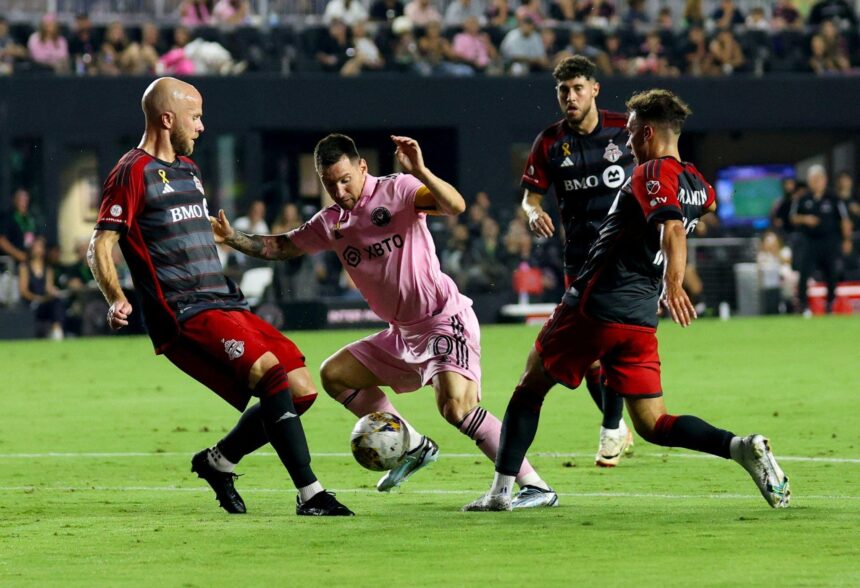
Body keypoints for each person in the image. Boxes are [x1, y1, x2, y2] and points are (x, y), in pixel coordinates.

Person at [464, 88, 791, 512]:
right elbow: (702, 206)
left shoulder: (650, 172)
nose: (628, 143)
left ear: (650, 132)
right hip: (639, 319)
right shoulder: (696, 182)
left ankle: (501, 493)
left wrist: (675, 282)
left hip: (596, 304)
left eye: (633, 133)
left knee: (530, 386)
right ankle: (739, 448)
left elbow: (671, 228)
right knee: (654, 423)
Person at [212, 133, 557, 509]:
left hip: (443, 319)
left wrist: (421, 170)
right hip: (403, 335)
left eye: (345, 179)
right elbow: (282, 246)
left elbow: (454, 205)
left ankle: (533, 484)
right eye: (330, 184)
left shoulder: (399, 190)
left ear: (363, 167)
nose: (340, 190)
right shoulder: (331, 222)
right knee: (335, 374)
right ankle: (411, 444)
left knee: (456, 409)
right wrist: (234, 238)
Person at [87, 77, 353, 517]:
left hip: (225, 302)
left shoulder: (190, 172)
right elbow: (100, 244)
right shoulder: (131, 171)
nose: (202, 126)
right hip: (184, 310)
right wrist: (115, 296)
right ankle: (311, 495)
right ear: (167, 118)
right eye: (195, 117)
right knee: (270, 377)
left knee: (301, 390)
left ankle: (220, 461)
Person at [520, 55, 635, 467]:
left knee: (611, 343)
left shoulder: (626, 129)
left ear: (595, 90)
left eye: (577, 89)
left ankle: (609, 431)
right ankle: (618, 424)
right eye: (563, 91)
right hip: (579, 258)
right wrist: (534, 213)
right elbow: (530, 196)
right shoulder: (550, 142)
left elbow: (660, 164)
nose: (570, 97)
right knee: (588, 362)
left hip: (627, 258)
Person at [790, 164, 852, 315]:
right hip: (810, 241)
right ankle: (802, 304)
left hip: (829, 241)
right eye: (813, 179)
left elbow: (844, 220)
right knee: (804, 272)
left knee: (831, 272)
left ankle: (830, 303)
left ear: (824, 180)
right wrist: (806, 219)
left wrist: (847, 240)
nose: (816, 182)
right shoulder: (803, 198)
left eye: (819, 179)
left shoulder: (834, 197)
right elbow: (793, 217)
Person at [18, 235, 65, 339]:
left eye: (41, 247)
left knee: (56, 301)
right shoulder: (24, 267)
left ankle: (57, 329)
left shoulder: (48, 268)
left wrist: (53, 293)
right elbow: (23, 291)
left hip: (43, 301)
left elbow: (48, 288)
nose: (40, 250)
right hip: (30, 302)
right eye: (37, 247)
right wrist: (37, 298)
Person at [0, 188, 37, 265]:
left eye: (26, 199)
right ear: (15, 200)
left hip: (28, 263)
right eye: (21, 199)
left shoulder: (30, 219)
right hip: (10, 263)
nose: (24, 202)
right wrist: (18, 254)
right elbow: (2, 241)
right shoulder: (8, 217)